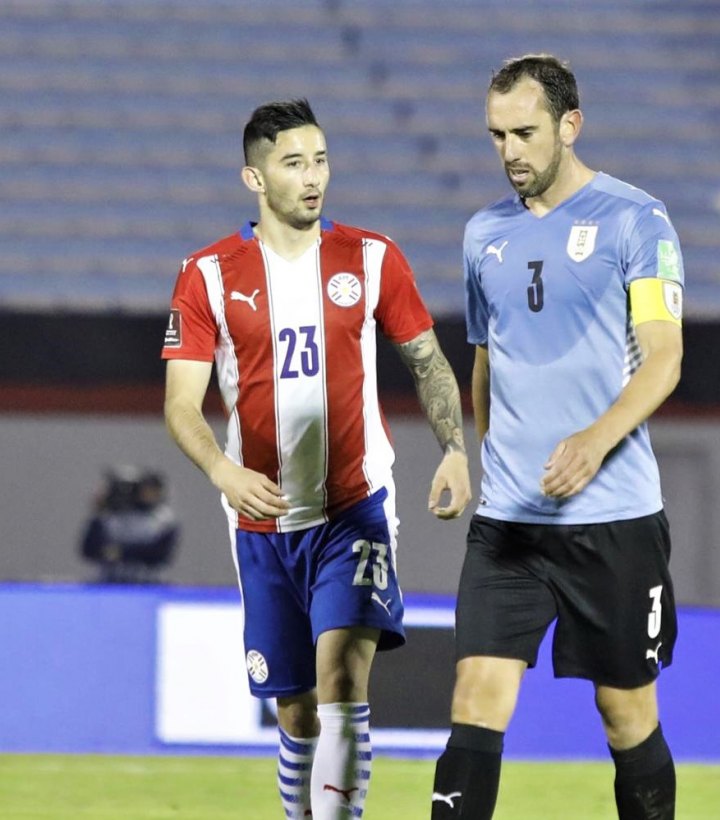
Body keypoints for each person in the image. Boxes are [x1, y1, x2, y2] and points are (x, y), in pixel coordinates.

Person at [162, 99, 471, 820]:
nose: (313, 177)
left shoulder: (370, 257)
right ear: (254, 177)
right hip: (263, 524)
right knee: (296, 710)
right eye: (294, 163)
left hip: (354, 508)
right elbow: (181, 403)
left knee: (341, 678)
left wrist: (455, 449)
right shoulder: (207, 275)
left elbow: (426, 360)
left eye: (321, 160)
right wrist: (224, 472)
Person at [428, 55, 684, 820]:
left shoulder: (637, 220)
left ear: (570, 126)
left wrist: (596, 440)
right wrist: (471, 456)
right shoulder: (483, 235)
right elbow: (484, 362)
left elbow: (664, 357)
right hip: (509, 525)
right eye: (496, 135)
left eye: (525, 133)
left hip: (612, 521)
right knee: (475, 697)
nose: (510, 151)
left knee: (626, 715)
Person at [80, 465, 178, 584]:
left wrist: (121, 552)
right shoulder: (108, 518)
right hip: (109, 580)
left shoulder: (162, 520)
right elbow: (89, 549)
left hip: (149, 581)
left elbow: (159, 554)